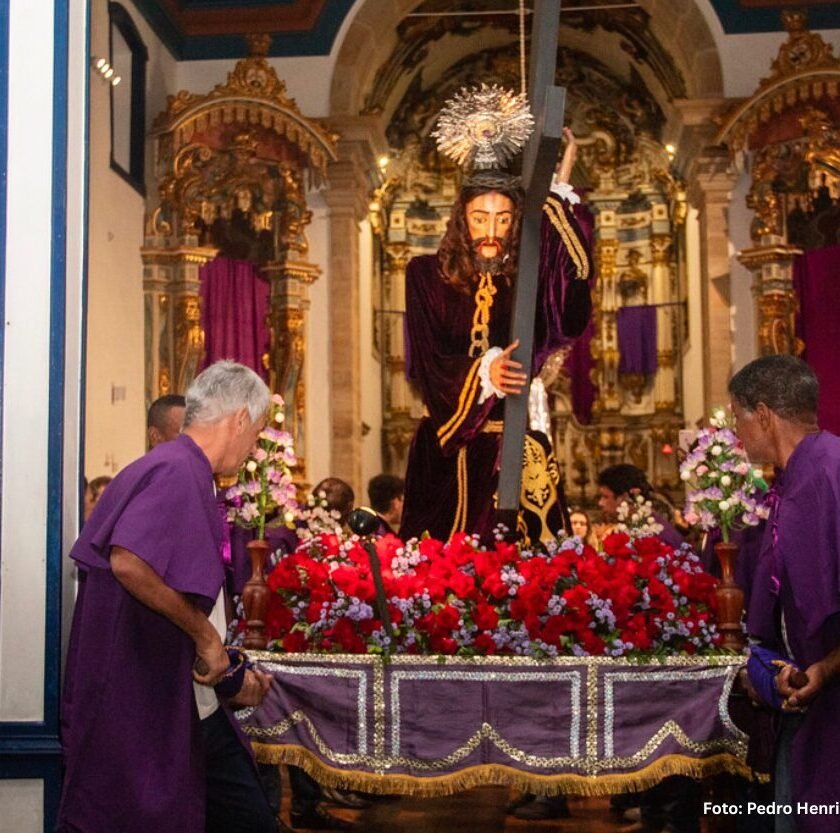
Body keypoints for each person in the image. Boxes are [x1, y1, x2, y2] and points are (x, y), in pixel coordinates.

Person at [58, 361, 279, 833]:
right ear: (239, 419)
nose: (253, 446)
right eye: (257, 432)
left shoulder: (173, 466)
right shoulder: (178, 470)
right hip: (141, 695)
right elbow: (129, 561)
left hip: (165, 692)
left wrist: (219, 656)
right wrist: (206, 639)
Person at [400, 111, 593, 546]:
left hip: (516, 448)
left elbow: (574, 295)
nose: (491, 230)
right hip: (446, 454)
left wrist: (555, 198)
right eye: (480, 217)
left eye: (504, 219)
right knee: (438, 573)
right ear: (460, 219)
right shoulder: (426, 275)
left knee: (530, 571)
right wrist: (485, 374)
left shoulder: (526, 281)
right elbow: (429, 362)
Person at [730, 354, 840, 833]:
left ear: (763, 415)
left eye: (737, 418)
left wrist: (827, 666)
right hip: (805, 702)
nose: (737, 433)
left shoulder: (830, 477)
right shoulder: (794, 479)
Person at [595, 463, 685, 549]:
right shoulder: (632, 527)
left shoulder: (652, 533)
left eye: (605, 497)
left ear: (625, 497)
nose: (600, 503)